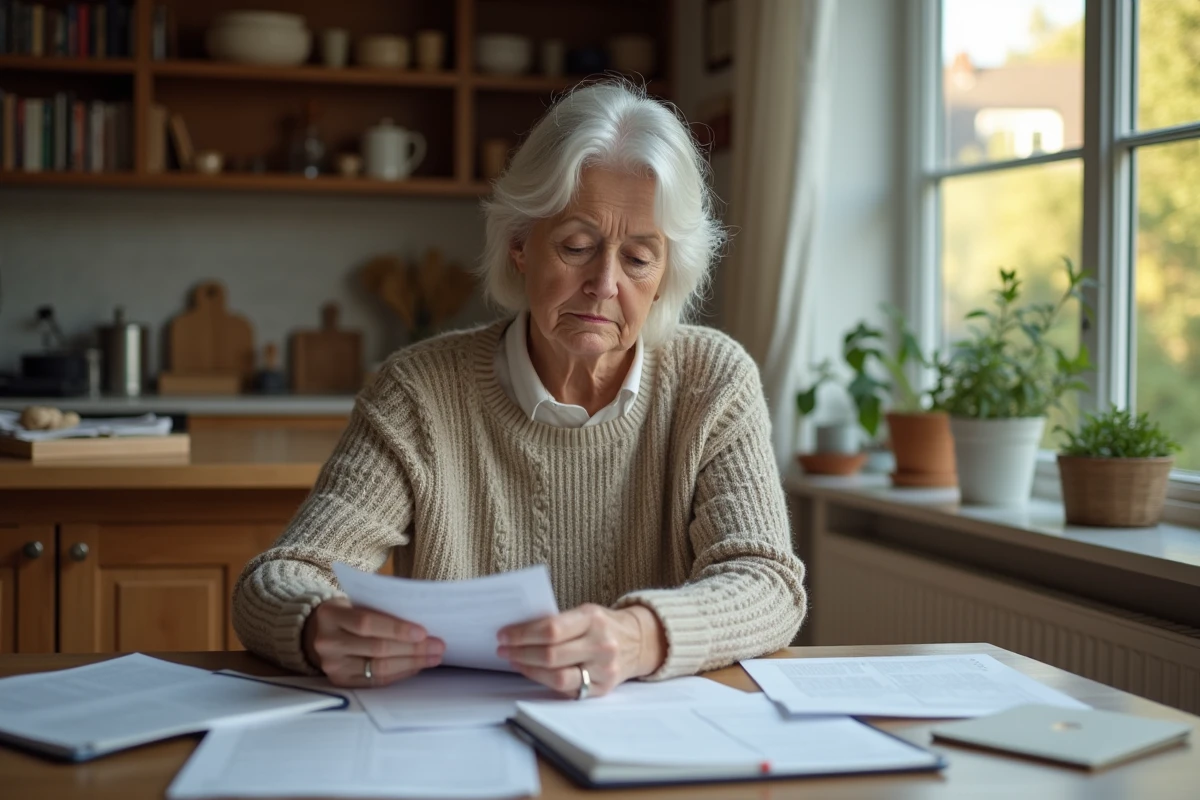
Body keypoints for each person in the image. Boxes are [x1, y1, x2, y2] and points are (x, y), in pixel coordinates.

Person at [233, 80, 807, 699]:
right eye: (576, 246)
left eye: (639, 259)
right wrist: (318, 625)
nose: (604, 283)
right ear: (518, 247)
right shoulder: (418, 392)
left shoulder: (712, 380)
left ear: (667, 274)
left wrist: (639, 636)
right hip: (454, 732)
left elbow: (767, 583)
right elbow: (279, 577)